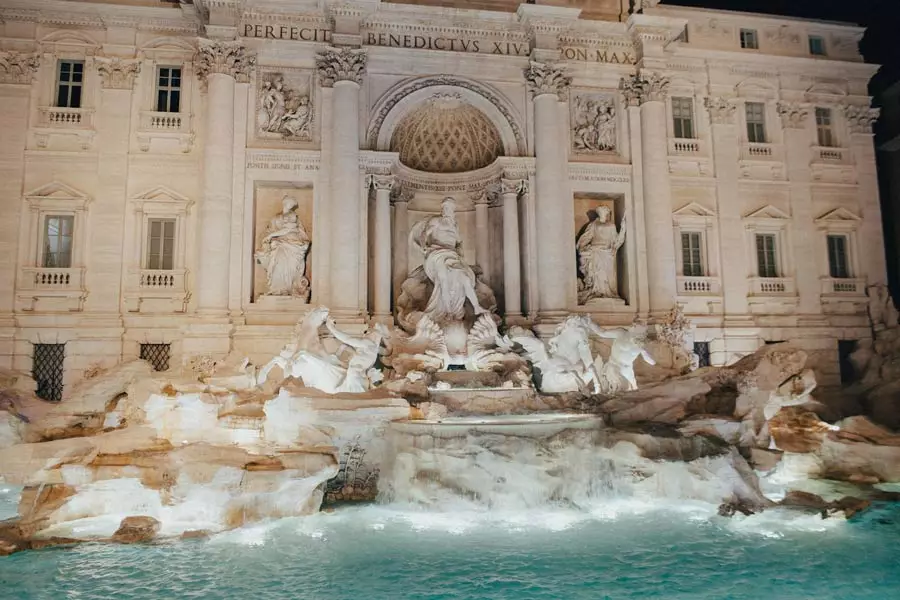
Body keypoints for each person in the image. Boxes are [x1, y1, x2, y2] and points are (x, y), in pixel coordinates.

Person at [408, 197, 488, 323]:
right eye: (446, 208)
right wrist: (424, 247)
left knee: (466, 279)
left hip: (453, 256)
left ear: (453, 210)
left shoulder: (454, 225)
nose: (448, 210)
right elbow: (425, 234)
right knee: (443, 280)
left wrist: (461, 255)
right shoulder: (436, 221)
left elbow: (458, 242)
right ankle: (448, 312)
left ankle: (477, 307)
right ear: (443, 209)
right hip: (437, 254)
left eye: (450, 208)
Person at [255, 195, 310, 297]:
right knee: (277, 263)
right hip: (279, 245)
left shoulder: (294, 217)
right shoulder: (276, 218)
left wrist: (272, 236)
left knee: (289, 266)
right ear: (285, 203)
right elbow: (269, 230)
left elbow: (296, 232)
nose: (291, 206)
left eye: (292, 205)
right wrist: (269, 239)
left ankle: (289, 289)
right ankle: (277, 289)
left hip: (293, 246)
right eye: (290, 204)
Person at [577, 206, 626, 303]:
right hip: (596, 252)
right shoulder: (593, 225)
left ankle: (608, 294)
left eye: (606, 211)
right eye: (603, 211)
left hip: (608, 254)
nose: (605, 213)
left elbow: (616, 241)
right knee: (598, 274)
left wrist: (623, 229)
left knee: (608, 275)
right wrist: (582, 246)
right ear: (599, 213)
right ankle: (597, 292)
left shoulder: (611, 226)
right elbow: (586, 237)